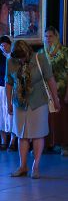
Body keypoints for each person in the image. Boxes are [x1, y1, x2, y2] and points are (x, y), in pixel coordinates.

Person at [6, 40, 62, 178]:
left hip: (38, 101)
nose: (20, 60)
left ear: (27, 52)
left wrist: (56, 99)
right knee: (21, 134)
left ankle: (35, 167)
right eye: (17, 58)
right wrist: (8, 103)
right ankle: (23, 166)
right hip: (19, 103)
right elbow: (9, 83)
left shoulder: (40, 58)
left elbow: (50, 79)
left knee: (38, 133)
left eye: (22, 57)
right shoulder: (11, 61)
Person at [39, 26, 68, 156]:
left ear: (56, 37)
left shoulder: (65, 52)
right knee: (45, 119)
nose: (48, 39)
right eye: (46, 36)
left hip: (61, 91)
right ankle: (45, 145)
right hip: (45, 92)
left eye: (50, 36)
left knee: (61, 119)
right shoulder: (41, 53)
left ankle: (63, 145)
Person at [0, 35, 17, 151]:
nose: (3, 47)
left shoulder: (15, 57)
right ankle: (3, 141)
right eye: (1, 46)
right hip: (1, 88)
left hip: (13, 89)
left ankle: (12, 142)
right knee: (1, 114)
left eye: (5, 45)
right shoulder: (0, 57)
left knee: (12, 114)